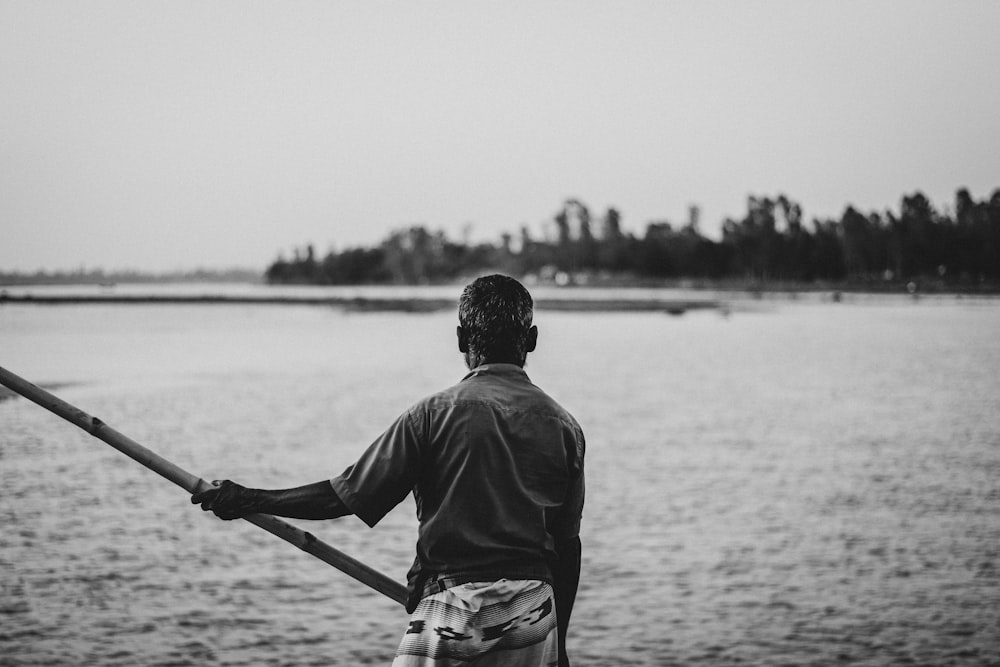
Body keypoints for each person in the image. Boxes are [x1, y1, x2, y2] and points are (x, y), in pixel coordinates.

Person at [192, 274, 585, 667]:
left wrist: (248, 499)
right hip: (534, 614)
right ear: (531, 339)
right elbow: (567, 547)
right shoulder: (564, 426)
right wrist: (560, 647)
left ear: (462, 340)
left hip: (454, 607)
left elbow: (342, 497)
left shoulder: (432, 416)